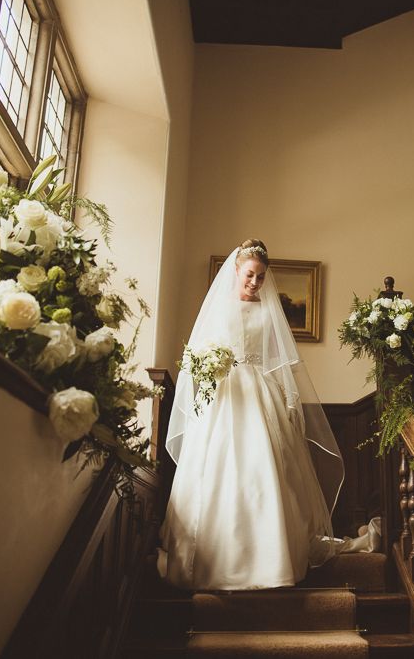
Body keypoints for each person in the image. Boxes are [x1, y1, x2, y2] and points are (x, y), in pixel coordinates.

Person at [157, 239, 345, 591]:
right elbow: (197, 356)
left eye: (260, 277)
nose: (254, 282)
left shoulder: (268, 312)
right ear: (236, 271)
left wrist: (288, 401)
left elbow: (279, 363)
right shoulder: (218, 310)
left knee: (267, 469)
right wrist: (207, 367)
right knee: (219, 470)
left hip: (260, 393)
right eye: (249, 274)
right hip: (224, 395)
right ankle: (214, 560)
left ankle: (271, 561)